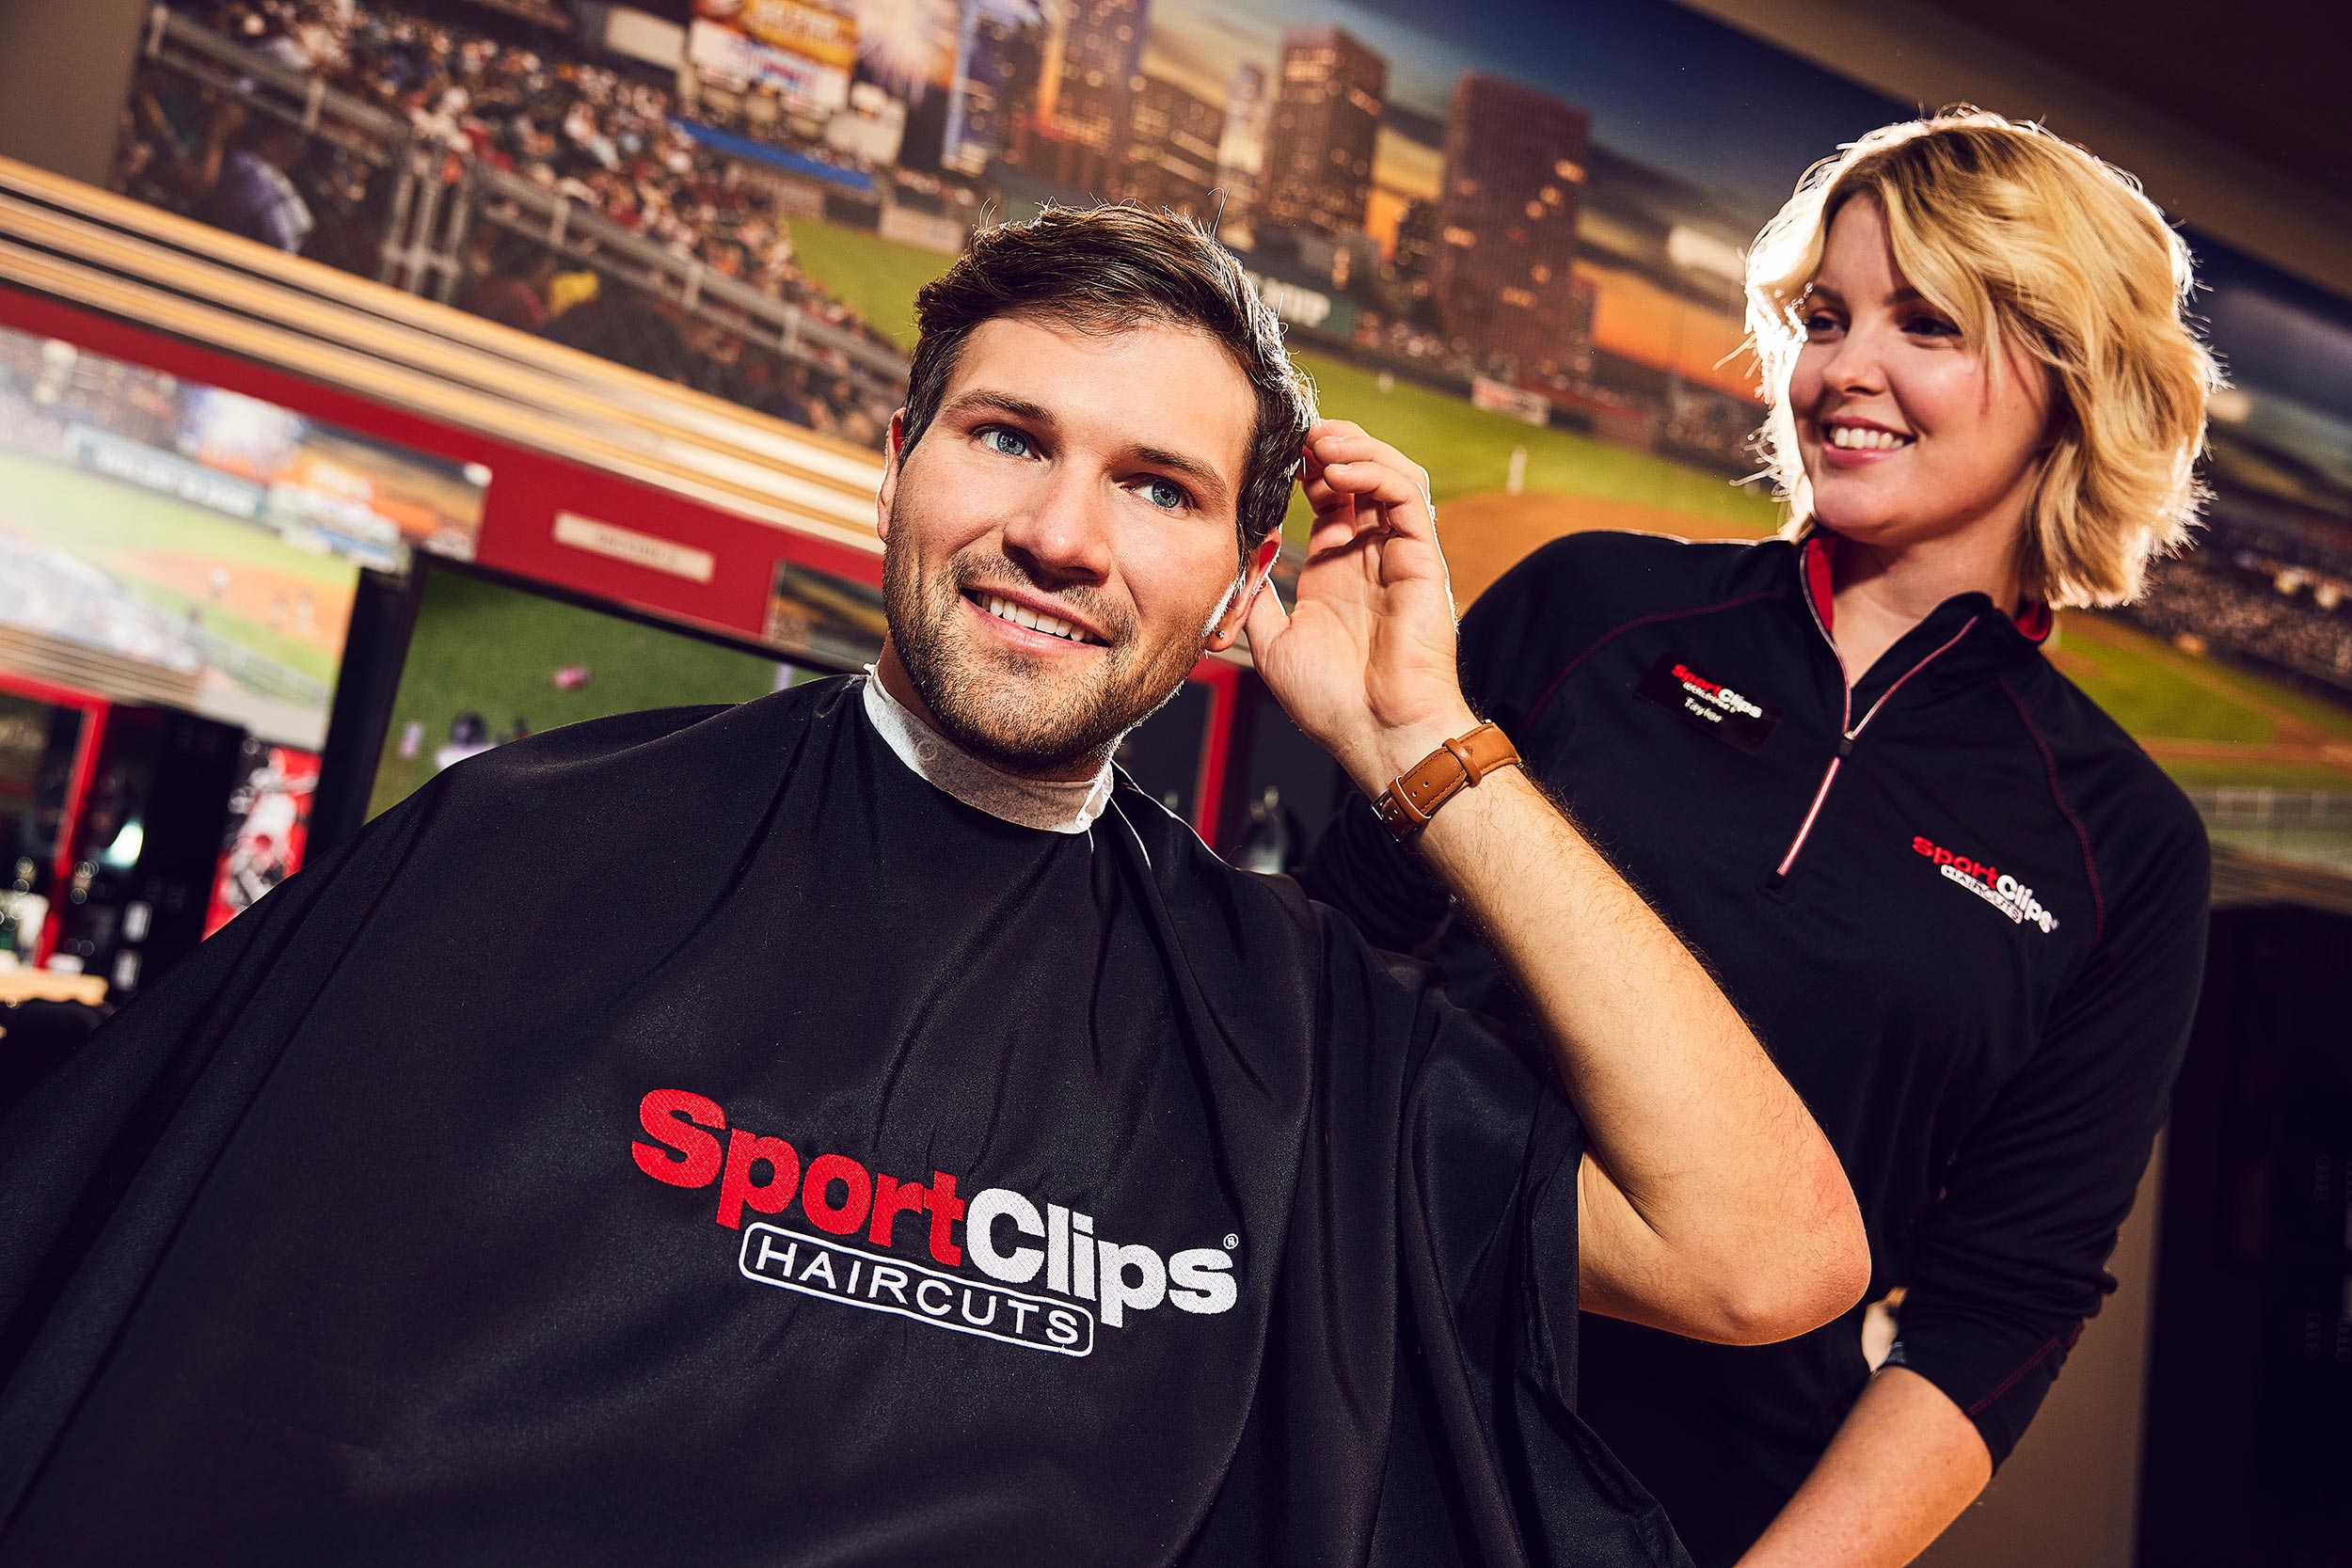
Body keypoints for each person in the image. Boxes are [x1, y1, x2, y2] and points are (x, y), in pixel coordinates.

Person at [0, 207, 1865, 1564]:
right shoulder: (522, 851)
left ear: (1239, 580)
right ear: (895, 468)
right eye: (1007, 439)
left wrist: (1421, 742)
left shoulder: (1289, 1031)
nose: (1058, 534)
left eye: (1154, 486)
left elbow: (1766, 1259)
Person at [1299, 110, 2218, 1567]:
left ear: (2072, 377)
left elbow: (2001, 1305)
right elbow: (1323, 973)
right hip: (1341, 1415)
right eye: (1825, 317)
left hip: (1686, 1522)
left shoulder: (2125, 843)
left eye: (1928, 324)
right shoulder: (1591, 611)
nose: (1844, 369)